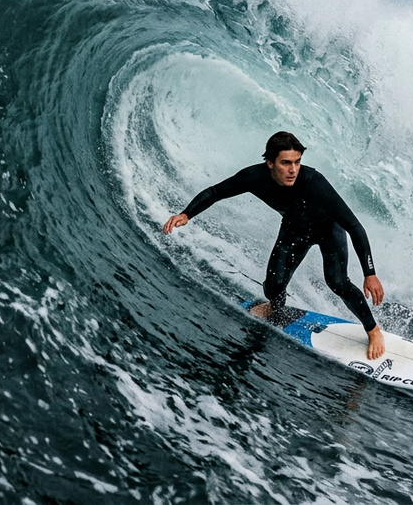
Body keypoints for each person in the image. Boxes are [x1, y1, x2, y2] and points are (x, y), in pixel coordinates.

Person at [162, 131, 386, 360]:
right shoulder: (253, 177)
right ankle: (275, 306)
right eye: (286, 163)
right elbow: (216, 192)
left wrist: (370, 273)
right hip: (294, 230)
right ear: (270, 163)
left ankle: (373, 331)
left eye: (297, 162)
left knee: (337, 282)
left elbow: (354, 225)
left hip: (328, 230)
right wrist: (187, 214)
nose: (293, 170)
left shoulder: (313, 182)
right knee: (273, 285)